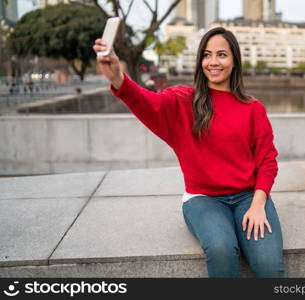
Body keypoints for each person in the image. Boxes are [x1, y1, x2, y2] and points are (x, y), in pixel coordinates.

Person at [93, 26, 284, 278]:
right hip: (203, 199)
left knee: (270, 266)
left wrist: (258, 204)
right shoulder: (183, 101)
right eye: (206, 55)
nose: (213, 62)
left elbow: (267, 161)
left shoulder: (253, 108)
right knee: (221, 248)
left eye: (222, 54)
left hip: (248, 196)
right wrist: (118, 77)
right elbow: (146, 102)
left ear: (235, 60)